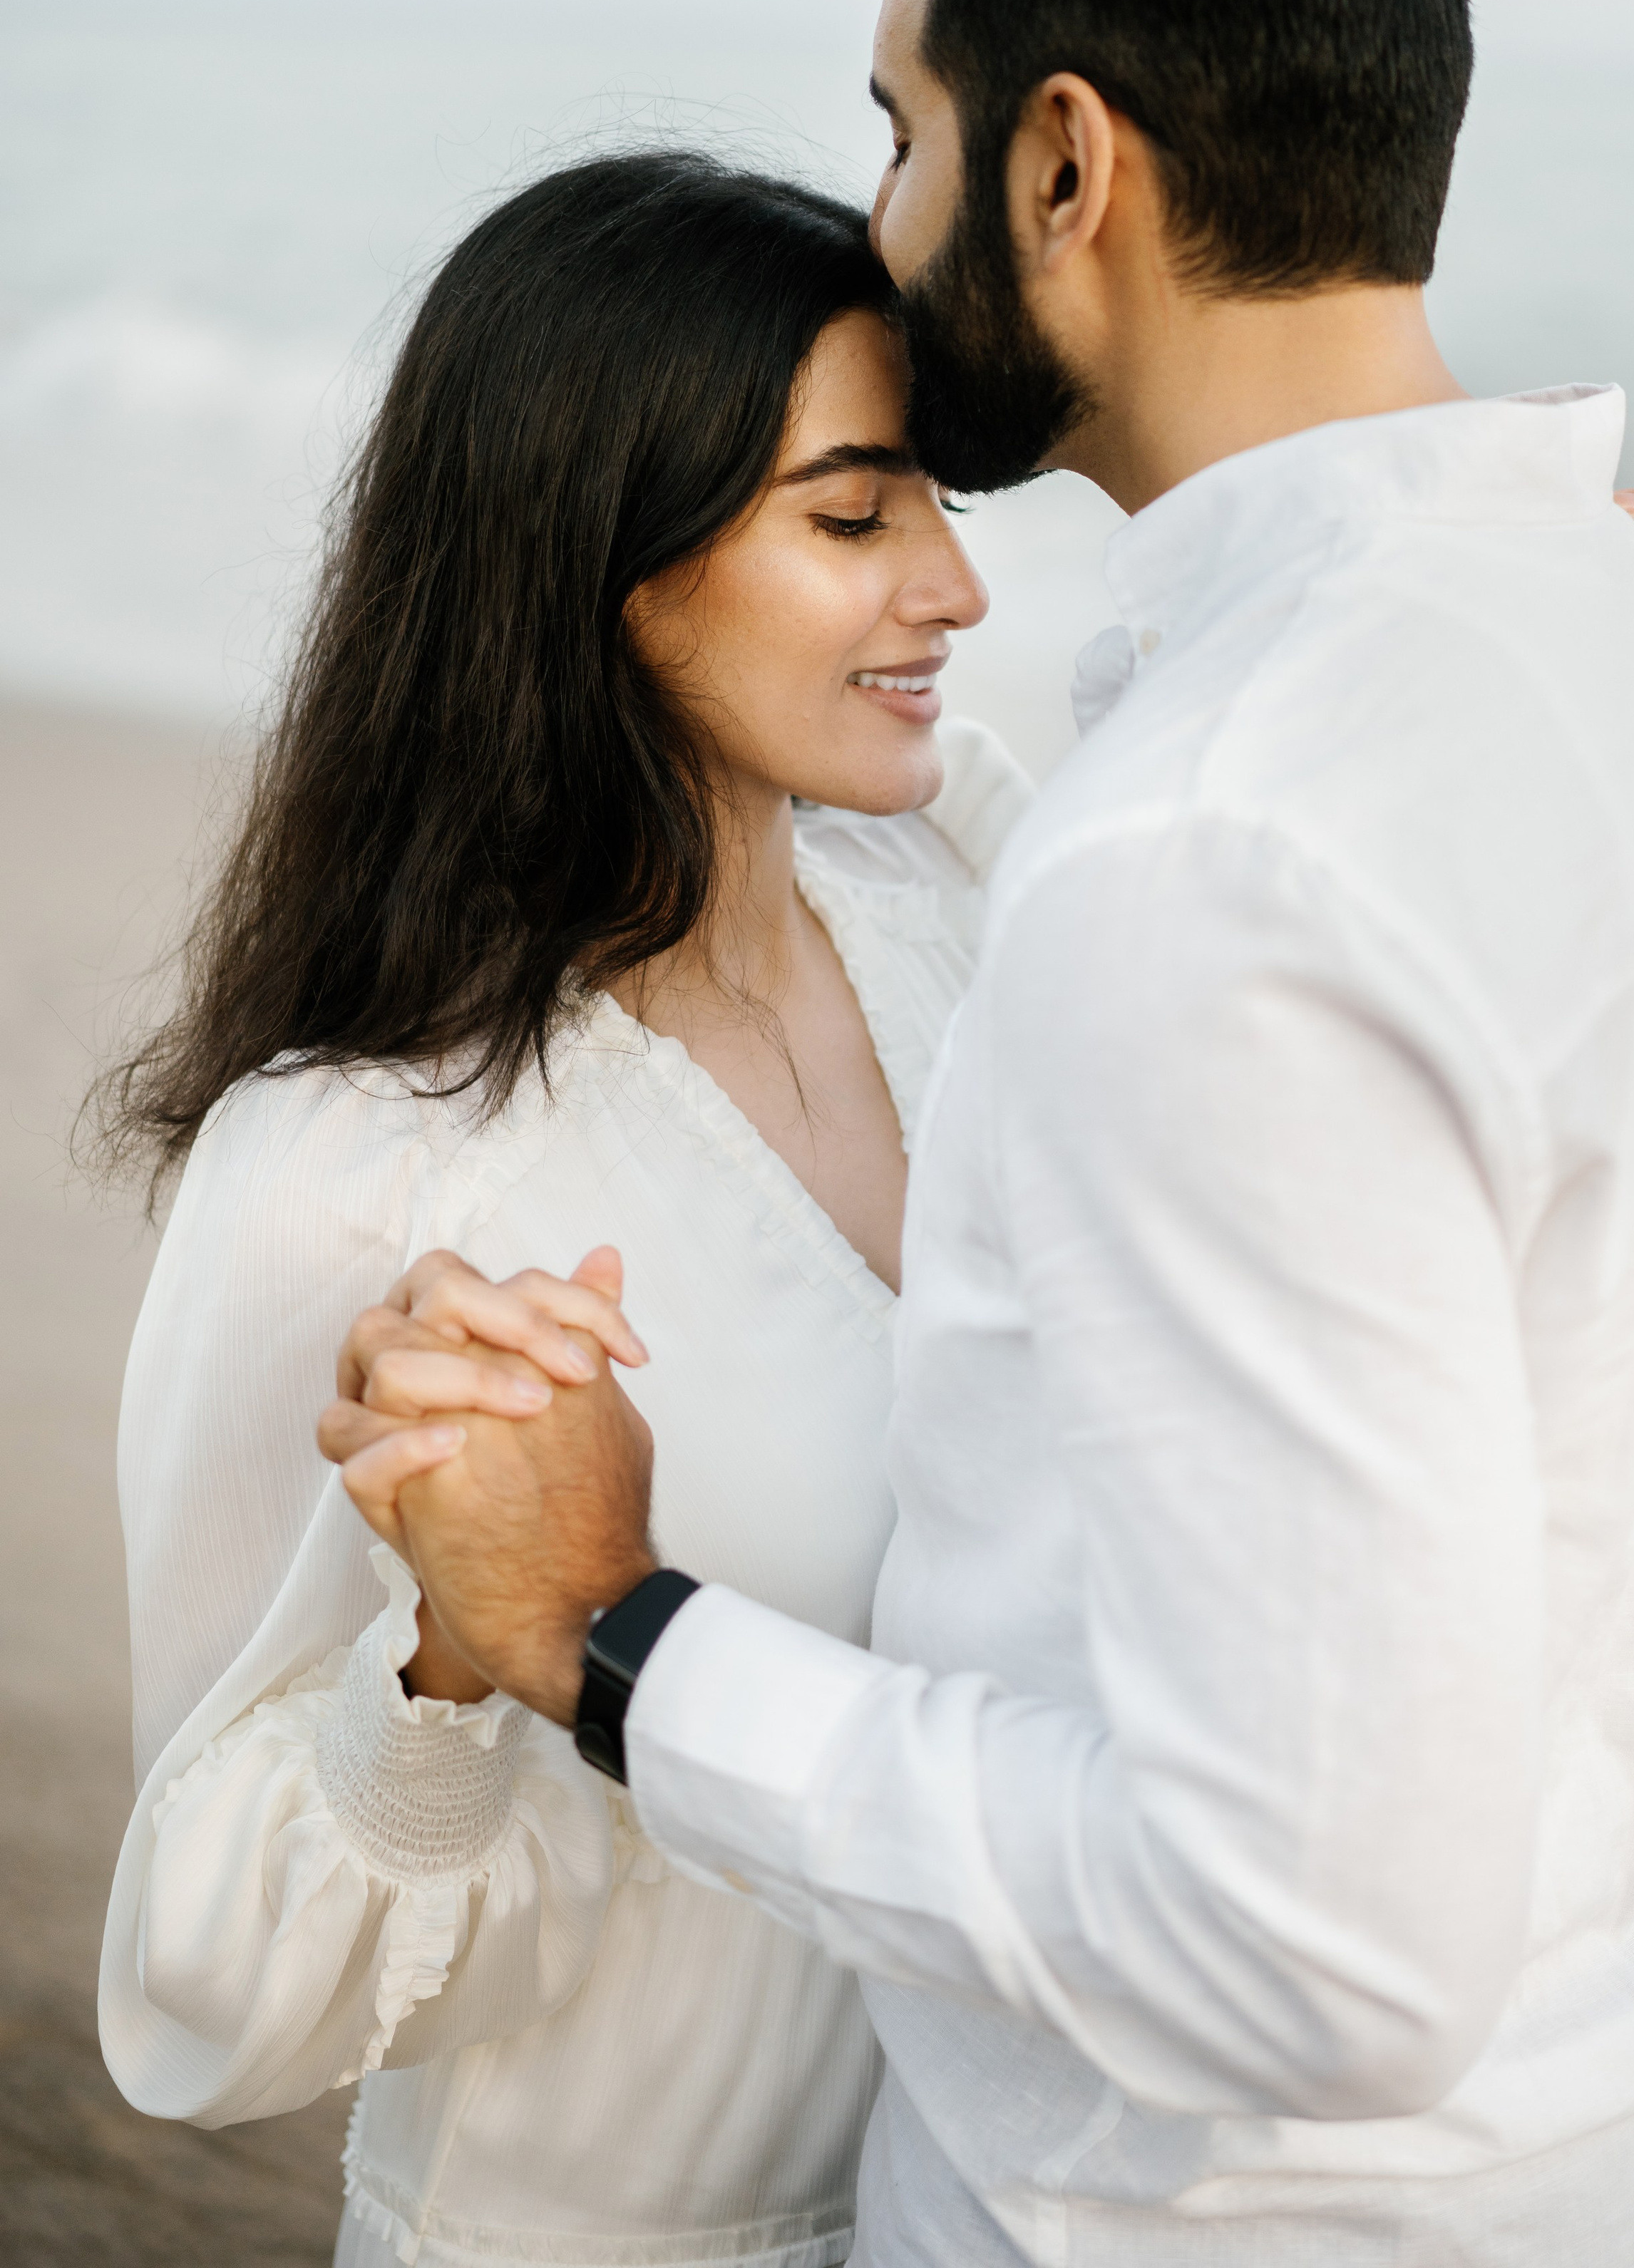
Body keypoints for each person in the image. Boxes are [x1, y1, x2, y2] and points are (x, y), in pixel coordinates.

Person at [321, 0, 1634, 2268]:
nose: (885, 217)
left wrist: (617, 1639)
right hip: (1620, 2133)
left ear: (1064, 169)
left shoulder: (1218, 854)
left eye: (901, 135)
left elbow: (1309, 1949)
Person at [98, 150, 1033, 2266]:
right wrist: (454, 1654)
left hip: (996, 2212)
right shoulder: (364, 1164)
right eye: (855, 515)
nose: (956, 590)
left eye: (943, 506)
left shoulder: (965, 913)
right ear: (603, 554)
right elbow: (196, 1985)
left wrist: (1599, 648)